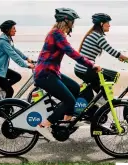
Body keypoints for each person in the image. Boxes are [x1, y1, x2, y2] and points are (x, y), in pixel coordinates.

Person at [33, 8, 101, 141]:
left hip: (51, 72)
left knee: (75, 88)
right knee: (70, 100)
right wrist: (91, 64)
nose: (73, 25)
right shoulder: (57, 34)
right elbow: (71, 52)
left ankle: (65, 123)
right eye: (72, 21)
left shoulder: (56, 33)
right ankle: (43, 125)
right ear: (66, 21)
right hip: (45, 74)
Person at [74, 13, 128, 105]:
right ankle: (102, 102)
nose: (109, 25)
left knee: (103, 82)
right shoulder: (98, 37)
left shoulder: (93, 34)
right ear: (101, 24)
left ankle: (99, 100)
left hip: (81, 68)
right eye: (107, 23)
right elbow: (112, 51)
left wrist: (122, 59)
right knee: (112, 76)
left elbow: (113, 53)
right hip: (85, 69)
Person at [0, 20, 35, 99]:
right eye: (14, 28)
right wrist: (26, 65)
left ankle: (2, 88)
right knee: (10, 91)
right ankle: (5, 110)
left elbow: (15, 50)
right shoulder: (3, 42)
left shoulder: (7, 39)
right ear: (7, 30)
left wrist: (27, 58)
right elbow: (14, 55)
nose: (15, 30)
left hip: (0, 69)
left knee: (17, 77)